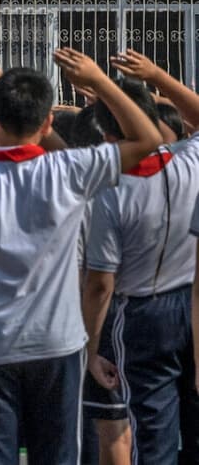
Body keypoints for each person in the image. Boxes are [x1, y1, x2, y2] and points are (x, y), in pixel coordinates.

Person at [0, 49, 162, 465]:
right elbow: (148, 138)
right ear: (49, 122)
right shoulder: (71, 171)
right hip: (58, 344)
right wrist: (101, 82)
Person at [84, 51, 199, 464]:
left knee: (153, 436)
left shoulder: (112, 194)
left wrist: (91, 348)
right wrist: (158, 76)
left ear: (109, 134)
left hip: (142, 316)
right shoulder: (191, 161)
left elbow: (100, 284)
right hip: (191, 303)